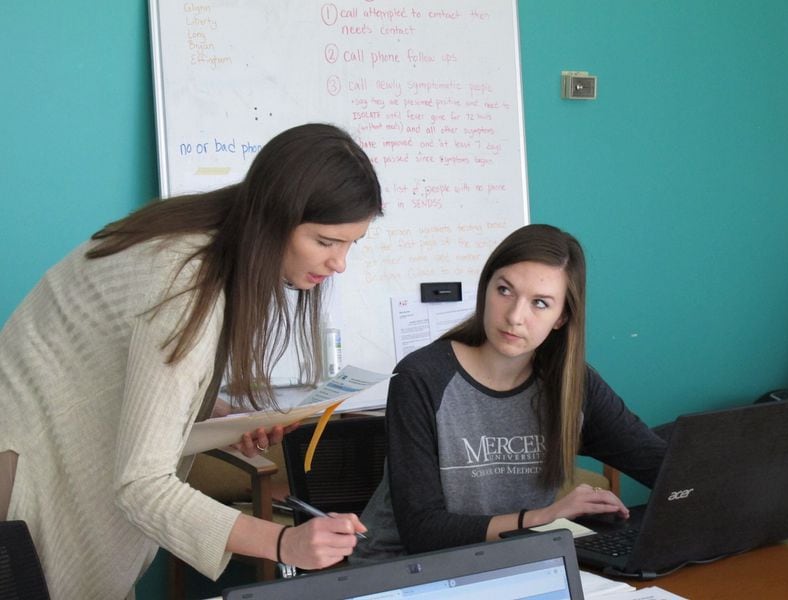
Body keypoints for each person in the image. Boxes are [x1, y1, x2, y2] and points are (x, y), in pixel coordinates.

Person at [0, 123, 378, 598]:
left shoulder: (206, 236)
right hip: (26, 467)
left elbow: (138, 376)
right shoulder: (183, 282)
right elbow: (143, 483)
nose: (339, 262)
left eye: (351, 244)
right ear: (273, 218)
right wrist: (284, 541)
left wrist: (221, 415)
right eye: (326, 242)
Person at [351, 224, 667, 563]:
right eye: (504, 290)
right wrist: (546, 517)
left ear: (562, 317)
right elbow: (424, 532)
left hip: (515, 562)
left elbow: (659, 465)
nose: (516, 316)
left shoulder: (572, 383)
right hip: (406, 571)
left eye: (540, 303)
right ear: (485, 288)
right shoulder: (421, 376)